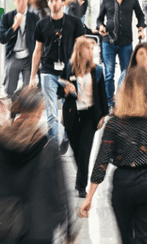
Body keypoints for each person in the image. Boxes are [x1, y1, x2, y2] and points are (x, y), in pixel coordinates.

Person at [79, 66, 147, 243]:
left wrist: (89, 197)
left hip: (123, 184)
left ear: (124, 91)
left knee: (127, 239)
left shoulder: (115, 123)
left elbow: (101, 161)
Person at [0, 87, 76, 244]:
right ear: (39, 111)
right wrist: (68, 228)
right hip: (38, 228)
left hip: (0, 226)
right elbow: (60, 192)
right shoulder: (48, 147)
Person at [29, 0, 85, 144]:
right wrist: (32, 77)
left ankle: (67, 135)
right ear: (48, 3)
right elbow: (37, 51)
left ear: (62, 2)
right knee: (51, 114)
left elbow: (82, 49)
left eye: (56, 0)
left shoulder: (75, 23)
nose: (54, 3)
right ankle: (53, 148)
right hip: (48, 71)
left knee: (71, 109)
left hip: (69, 72)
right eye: (51, 0)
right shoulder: (42, 24)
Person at [58, 37, 108, 198]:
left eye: (93, 49)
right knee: (76, 151)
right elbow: (59, 91)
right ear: (80, 50)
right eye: (88, 49)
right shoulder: (69, 69)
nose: (91, 52)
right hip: (73, 114)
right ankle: (81, 176)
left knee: (85, 151)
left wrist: (103, 116)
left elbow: (102, 94)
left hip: (90, 115)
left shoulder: (97, 70)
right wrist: (66, 91)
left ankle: (81, 186)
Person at [97, 0, 146, 104]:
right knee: (109, 74)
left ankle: (123, 101)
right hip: (109, 42)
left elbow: (141, 16)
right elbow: (99, 19)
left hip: (125, 43)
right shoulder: (107, 0)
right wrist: (101, 26)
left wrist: (140, 29)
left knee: (126, 74)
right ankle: (109, 104)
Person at [0, 0, 39, 97]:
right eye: (18, 0)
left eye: (24, 0)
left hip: (29, 57)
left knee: (27, 90)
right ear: (14, 1)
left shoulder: (34, 18)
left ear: (27, 0)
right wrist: (15, 25)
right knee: (9, 89)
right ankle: (13, 108)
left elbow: (40, 38)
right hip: (13, 55)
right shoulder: (7, 17)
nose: (21, 3)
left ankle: (23, 110)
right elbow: (2, 39)